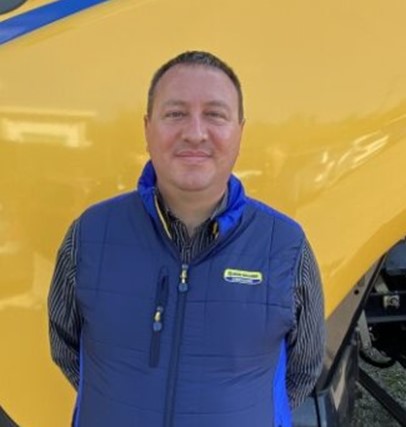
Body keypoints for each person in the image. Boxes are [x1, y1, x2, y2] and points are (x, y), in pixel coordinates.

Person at [48, 51, 325, 427]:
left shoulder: (286, 246)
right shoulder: (90, 234)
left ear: (240, 131)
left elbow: (303, 369)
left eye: (215, 114)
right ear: (147, 129)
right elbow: (67, 350)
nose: (195, 133)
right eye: (175, 113)